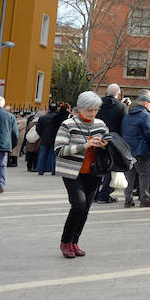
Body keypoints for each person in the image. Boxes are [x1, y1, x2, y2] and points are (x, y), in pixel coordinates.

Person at [53, 91, 109, 258]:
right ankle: (65, 242)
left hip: (94, 172)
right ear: (80, 108)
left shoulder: (100, 124)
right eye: (89, 110)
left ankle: (75, 242)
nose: (92, 114)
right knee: (78, 205)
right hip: (72, 172)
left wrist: (105, 145)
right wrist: (84, 146)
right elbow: (59, 150)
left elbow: (108, 144)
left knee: (86, 209)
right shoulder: (68, 124)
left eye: (96, 110)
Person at [121, 91, 150, 208]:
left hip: (127, 149)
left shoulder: (127, 115)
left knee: (129, 175)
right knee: (144, 174)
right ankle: (145, 199)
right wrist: (149, 146)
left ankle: (128, 199)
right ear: (146, 103)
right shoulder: (146, 116)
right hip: (140, 149)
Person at [94, 83, 125, 203]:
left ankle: (94, 194)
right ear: (118, 94)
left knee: (97, 165)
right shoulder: (121, 107)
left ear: (106, 93)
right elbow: (123, 125)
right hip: (113, 139)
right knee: (110, 167)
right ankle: (104, 194)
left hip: (96, 137)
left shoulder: (98, 104)